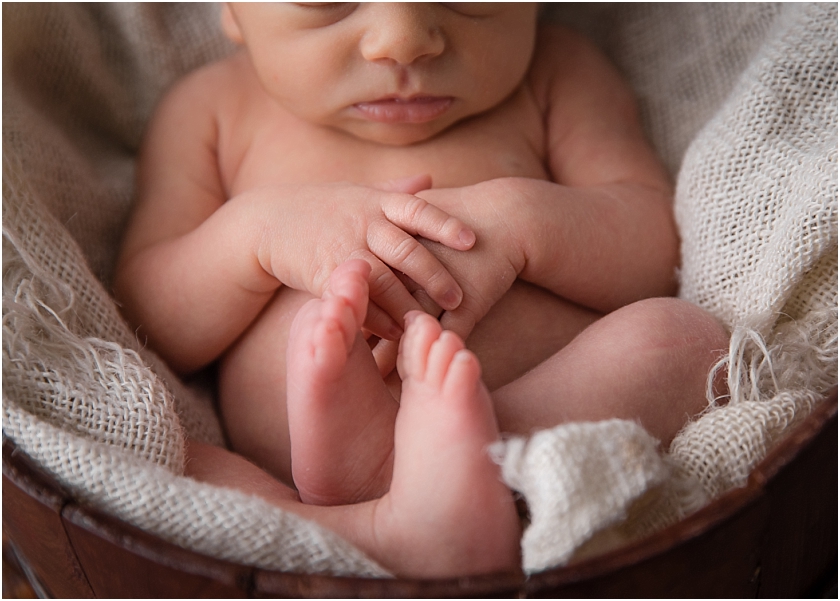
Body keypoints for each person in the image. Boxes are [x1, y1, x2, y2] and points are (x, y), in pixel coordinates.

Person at [114, 3, 729, 577]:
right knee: (167, 463)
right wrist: (257, 234)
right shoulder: (213, 109)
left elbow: (651, 247)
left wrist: (518, 224)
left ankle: (453, 475)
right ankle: (361, 527)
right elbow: (151, 318)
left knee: (688, 344)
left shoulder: (557, 75)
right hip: (295, 468)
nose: (402, 39)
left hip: (540, 414)